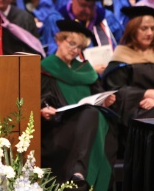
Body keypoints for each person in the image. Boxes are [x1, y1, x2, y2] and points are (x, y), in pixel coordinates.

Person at [41, 19, 117, 190]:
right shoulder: (45, 69)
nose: (75, 51)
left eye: (80, 48)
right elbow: (38, 100)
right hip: (60, 128)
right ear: (59, 40)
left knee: (94, 114)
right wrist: (43, 109)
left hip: (90, 128)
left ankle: (80, 172)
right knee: (91, 113)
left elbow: (97, 97)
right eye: (72, 44)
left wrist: (105, 101)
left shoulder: (86, 71)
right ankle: (78, 171)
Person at [102, 5, 154, 156]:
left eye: (153, 28)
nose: (150, 33)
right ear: (133, 30)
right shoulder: (121, 58)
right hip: (135, 111)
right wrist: (147, 93)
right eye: (144, 28)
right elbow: (116, 91)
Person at [45, 0, 123, 74]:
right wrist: (88, 70)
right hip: (71, 77)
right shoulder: (56, 20)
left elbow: (121, 47)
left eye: (92, 6)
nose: (88, 11)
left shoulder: (106, 18)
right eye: (83, 5)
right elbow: (53, 56)